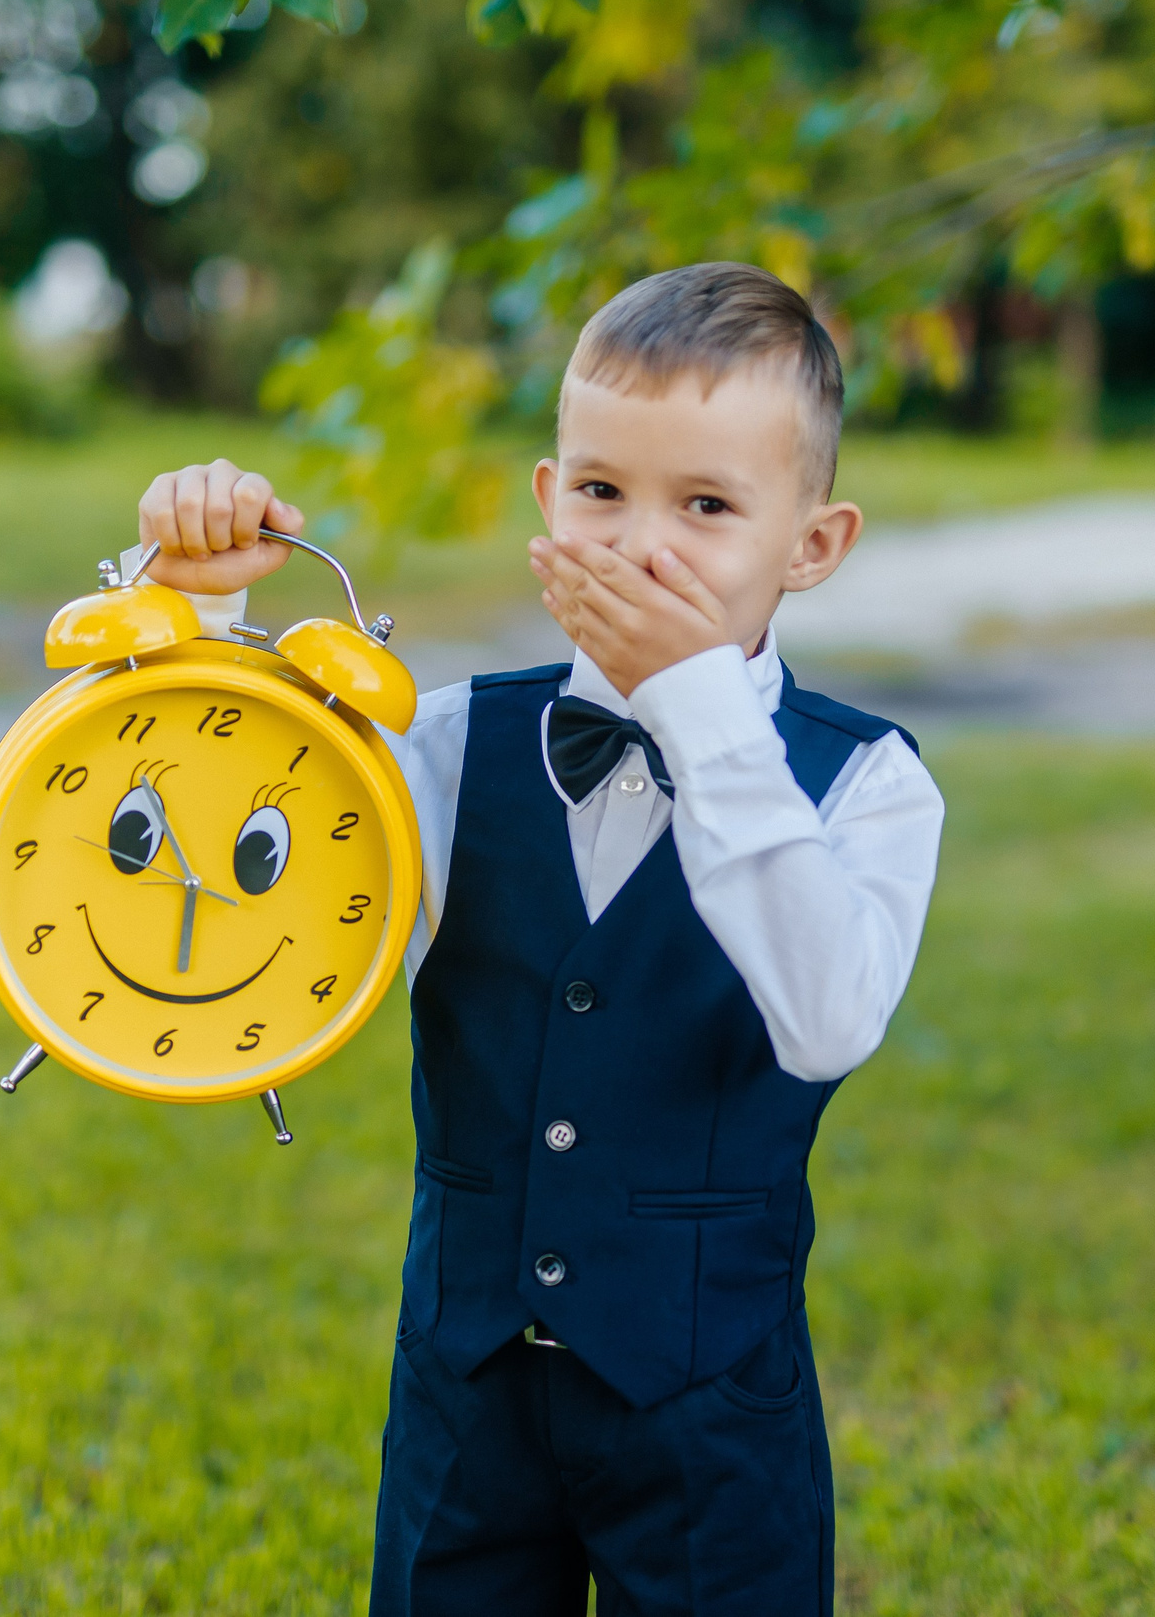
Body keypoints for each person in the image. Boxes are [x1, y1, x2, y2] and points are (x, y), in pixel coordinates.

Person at [133, 261, 944, 1616]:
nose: (639, 545)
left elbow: (828, 1017)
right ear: (546, 496)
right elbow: (241, 892)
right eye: (601, 490)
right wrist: (205, 605)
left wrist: (701, 710)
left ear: (812, 544)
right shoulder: (449, 739)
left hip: (710, 1409)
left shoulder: (864, 782)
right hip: (468, 1387)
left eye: (708, 506)